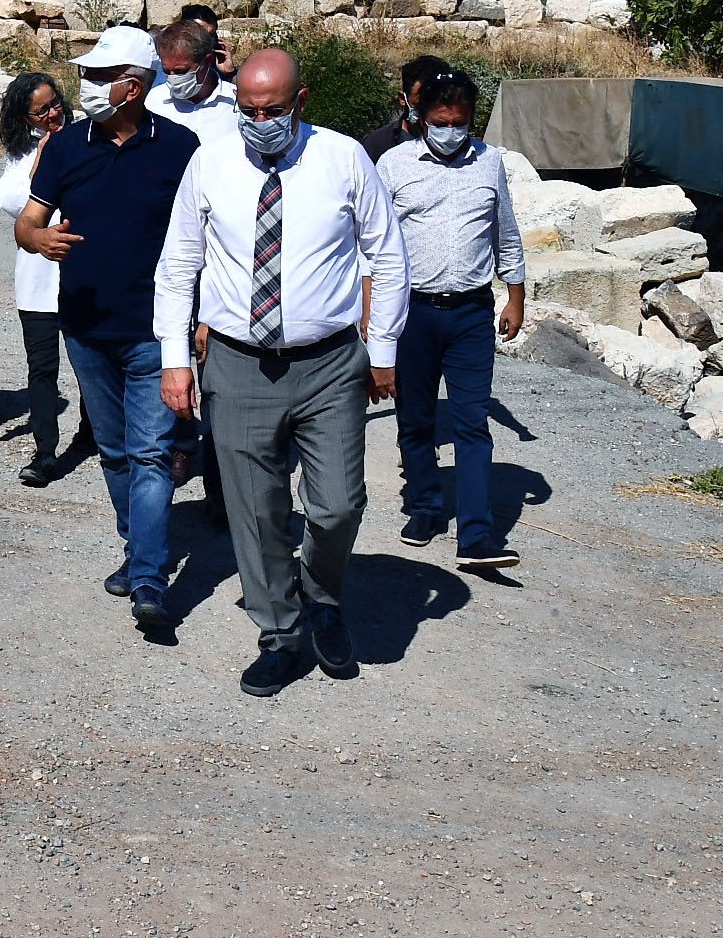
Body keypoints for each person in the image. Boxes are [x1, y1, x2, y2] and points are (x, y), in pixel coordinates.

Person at [157, 45, 408, 696]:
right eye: (245, 109)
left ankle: (322, 592)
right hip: (237, 365)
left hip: (328, 363)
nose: (257, 121)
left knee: (337, 505)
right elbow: (178, 266)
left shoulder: (343, 158)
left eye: (270, 110)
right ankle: (279, 631)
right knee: (256, 511)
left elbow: (388, 252)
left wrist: (382, 351)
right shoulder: (210, 163)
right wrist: (174, 360)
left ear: (300, 103)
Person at [14, 23, 201, 635]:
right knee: (116, 451)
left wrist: (197, 320)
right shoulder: (66, 147)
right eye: (86, 75)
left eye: (98, 76)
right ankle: (136, 547)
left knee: (150, 453)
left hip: (155, 330)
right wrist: (39, 238)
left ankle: (148, 576)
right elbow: (28, 223)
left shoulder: (182, 148)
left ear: (134, 86)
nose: (85, 86)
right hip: (86, 326)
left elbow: (210, 237)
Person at [375, 68, 525, 572]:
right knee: (415, 418)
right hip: (412, 313)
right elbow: (371, 244)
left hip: (471, 313)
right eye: (441, 120)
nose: (450, 130)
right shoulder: (394, 165)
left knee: (471, 421)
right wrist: (371, 318)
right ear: (420, 118)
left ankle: (477, 534)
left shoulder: (490, 164)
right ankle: (423, 505)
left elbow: (506, 232)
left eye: (459, 122)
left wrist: (516, 296)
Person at [149, 17, 236, 516]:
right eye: (166, 69)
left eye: (181, 69)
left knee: (217, 376)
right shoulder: (155, 105)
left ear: (207, 64)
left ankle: (222, 495)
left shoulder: (233, 111)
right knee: (165, 358)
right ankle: (177, 446)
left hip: (218, 259)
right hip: (164, 255)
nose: (172, 77)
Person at [0, 69, 73, 487]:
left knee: (92, 365)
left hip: (84, 275)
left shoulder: (87, 139)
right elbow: (11, 202)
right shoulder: (22, 155)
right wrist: (42, 159)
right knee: (42, 368)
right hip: (38, 282)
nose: (53, 113)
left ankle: (97, 434)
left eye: (55, 103)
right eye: (41, 111)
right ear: (25, 118)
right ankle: (45, 452)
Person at [358, 53, 451, 162]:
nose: (428, 114)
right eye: (420, 105)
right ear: (403, 99)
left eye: (435, 105)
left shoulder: (459, 143)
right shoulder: (377, 144)